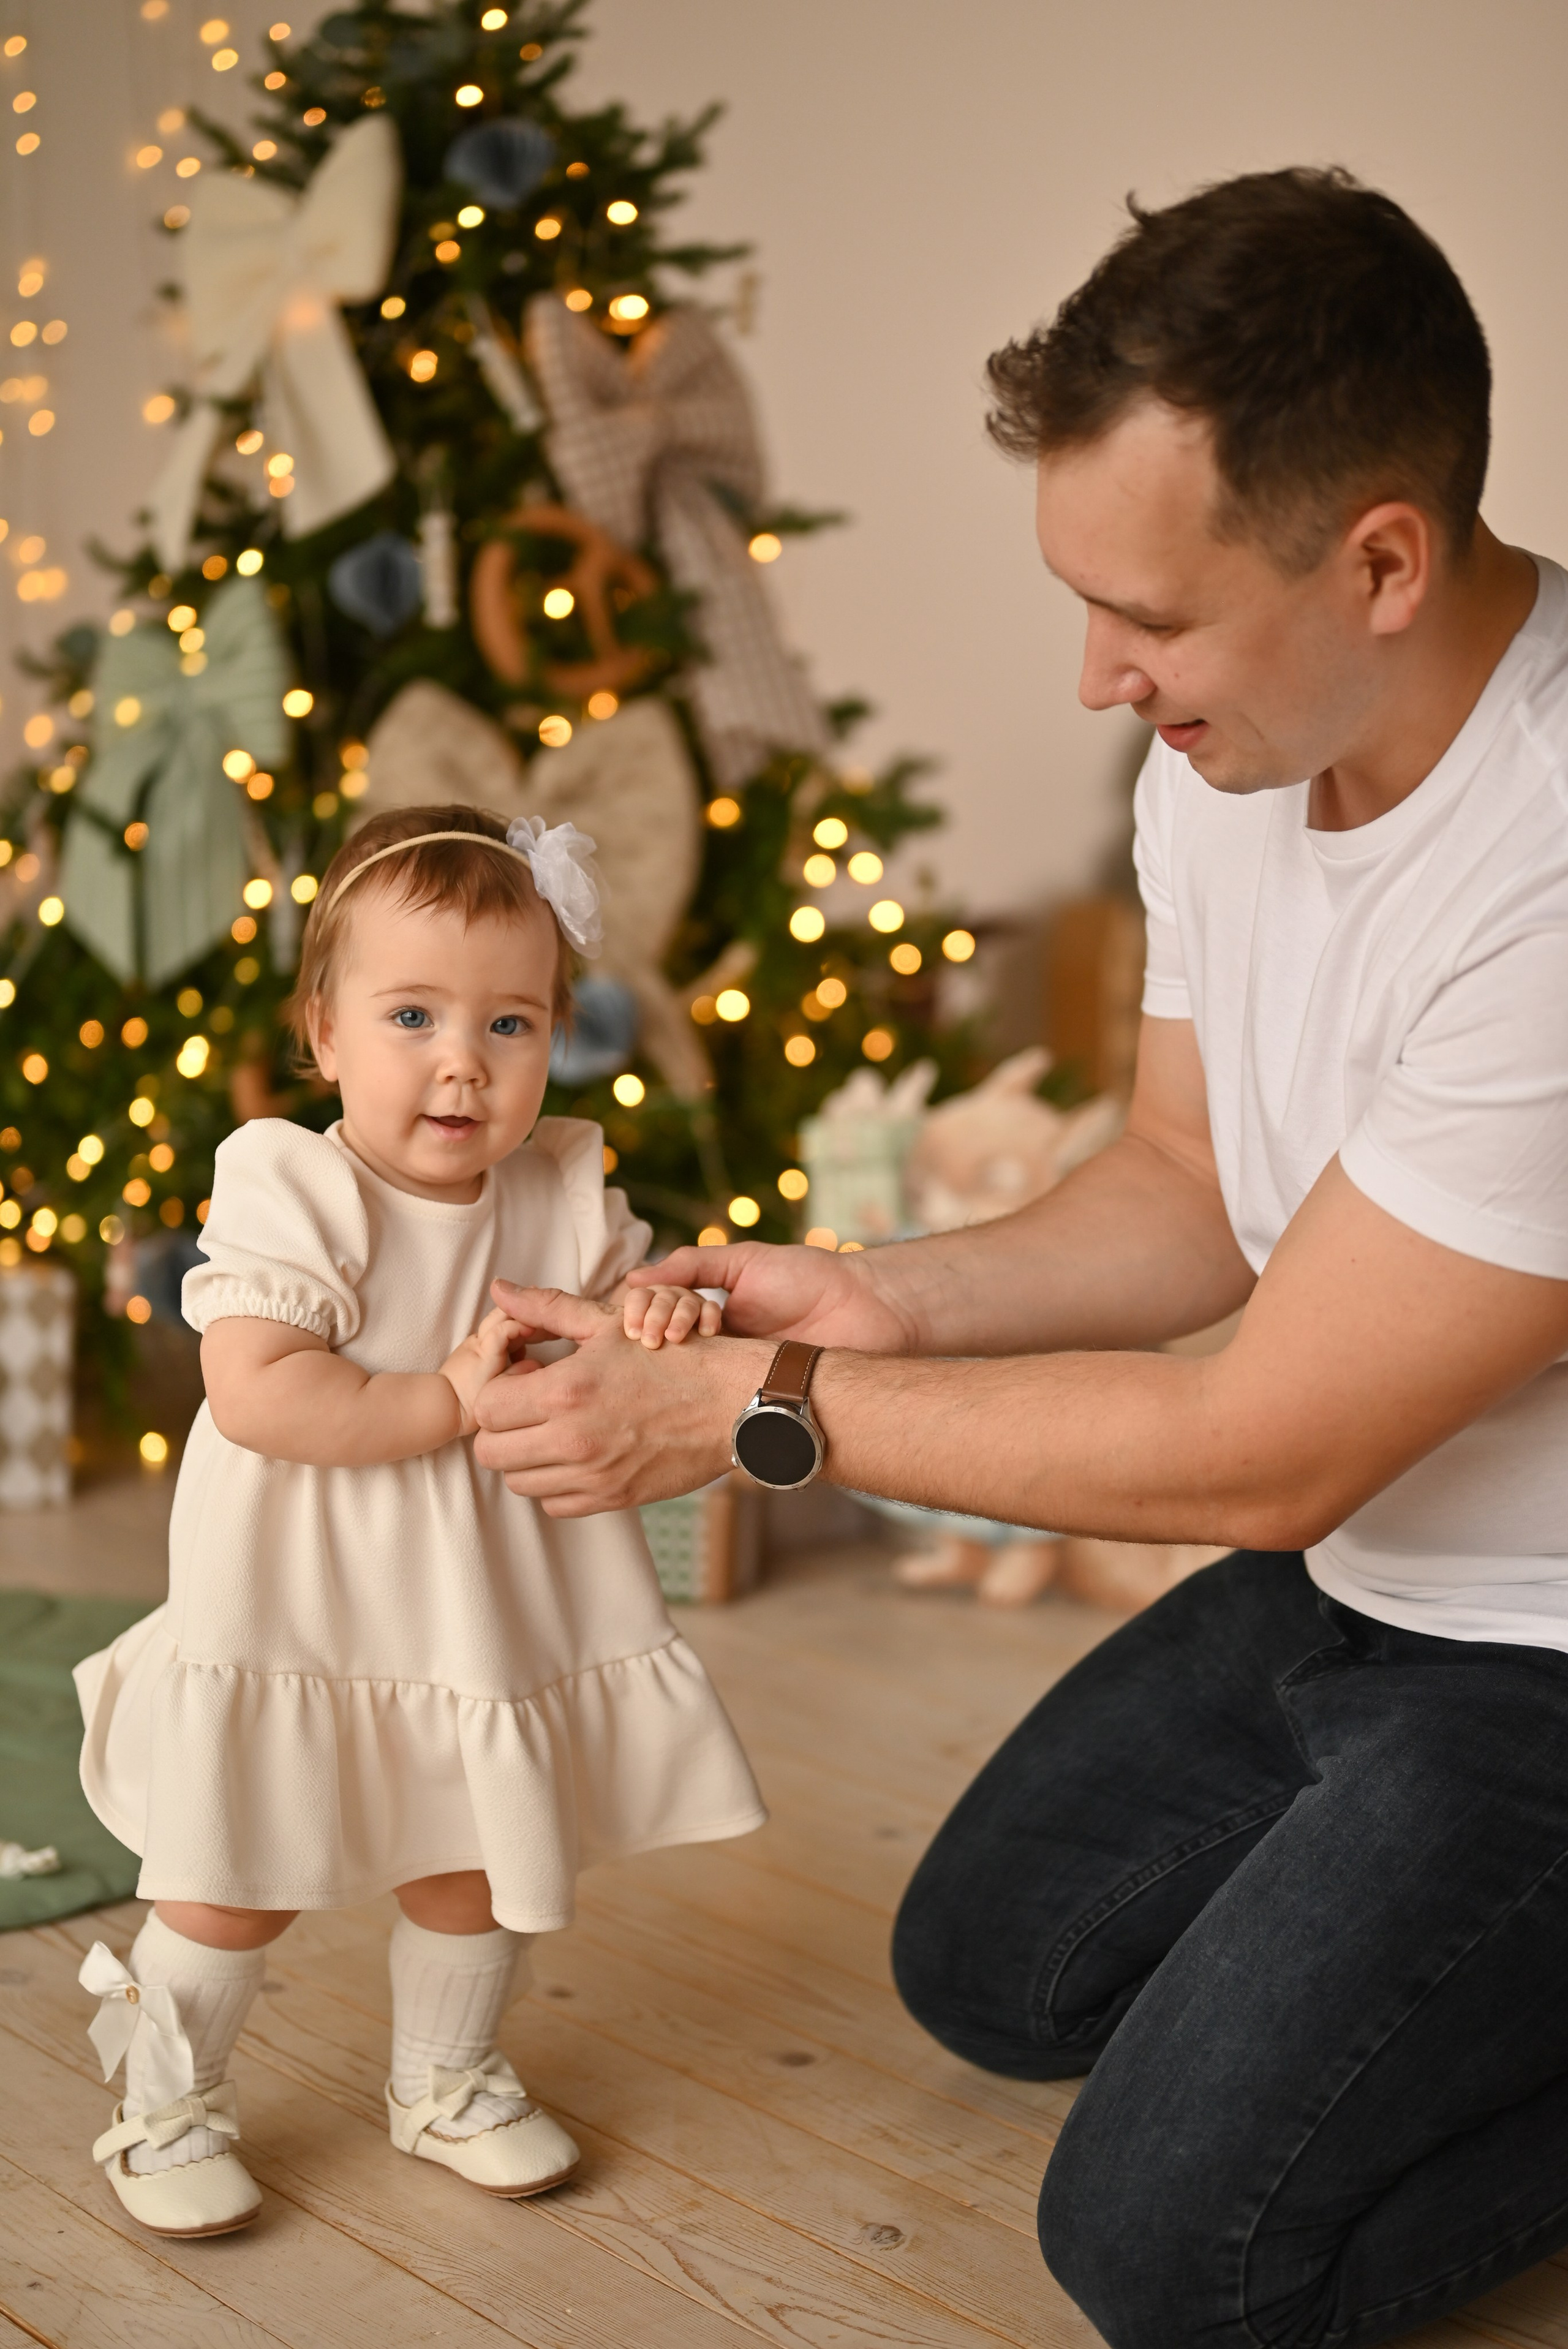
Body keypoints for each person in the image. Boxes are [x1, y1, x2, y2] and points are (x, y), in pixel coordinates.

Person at [470, 170, 1568, 2347]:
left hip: (1543, 1651)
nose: (1093, 679)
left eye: (1145, 615)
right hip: (1365, 1577)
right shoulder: (1235, 752)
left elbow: (1259, 1447)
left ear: (1381, 560)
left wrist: (759, 1408)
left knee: (1176, 2256)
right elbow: (1182, 1177)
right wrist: (878, 1296)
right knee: (993, 1968)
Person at [72, 804, 763, 2241]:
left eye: (511, 1022)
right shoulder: (295, 1185)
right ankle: (167, 2103)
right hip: (303, 1597)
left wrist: (651, 1319)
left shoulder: (557, 1188)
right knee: (234, 1873)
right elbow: (261, 1393)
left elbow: (611, 1340)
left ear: (556, 1035)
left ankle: (444, 2079)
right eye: (411, 1015)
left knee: (471, 1853)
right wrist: (445, 1396)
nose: (464, 1060)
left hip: (478, 1602)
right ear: (323, 1031)